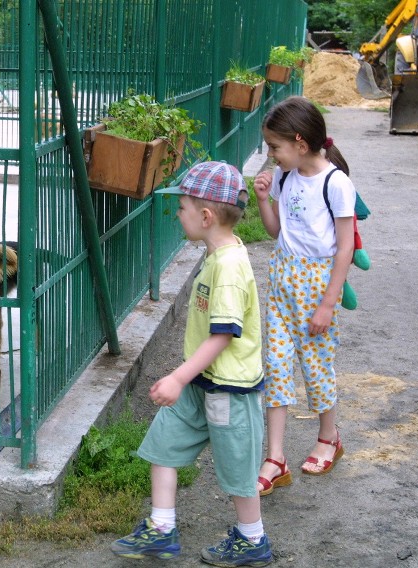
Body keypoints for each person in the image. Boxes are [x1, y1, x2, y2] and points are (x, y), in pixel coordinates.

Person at [110, 161, 272, 567]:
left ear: (205, 216)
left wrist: (178, 377)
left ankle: (253, 539)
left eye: (180, 208)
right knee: (163, 447)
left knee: (237, 468)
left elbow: (222, 334)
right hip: (201, 381)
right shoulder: (215, 255)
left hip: (227, 390)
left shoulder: (230, 267)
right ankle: (162, 530)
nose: (176, 215)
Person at [252, 96, 355, 496]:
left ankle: (329, 437)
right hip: (281, 281)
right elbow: (277, 232)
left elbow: (344, 248)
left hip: (316, 287)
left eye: (274, 147)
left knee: (315, 366)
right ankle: (275, 457)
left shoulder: (336, 183)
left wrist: (328, 304)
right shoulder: (285, 176)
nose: (270, 156)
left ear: (299, 142)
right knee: (276, 365)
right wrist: (263, 199)